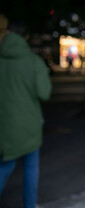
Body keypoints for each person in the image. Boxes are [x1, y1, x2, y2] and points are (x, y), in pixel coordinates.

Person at [0, 14, 52, 208]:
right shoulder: (33, 61)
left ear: (8, 33)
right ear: (27, 37)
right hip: (29, 124)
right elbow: (44, 93)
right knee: (30, 168)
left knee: (6, 164)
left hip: (4, 124)